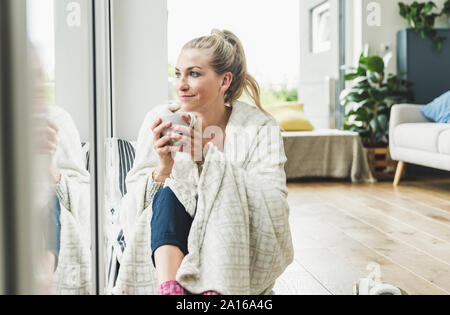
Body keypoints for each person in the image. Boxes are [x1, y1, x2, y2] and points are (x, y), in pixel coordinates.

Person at [114, 29, 293, 295]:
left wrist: (208, 158)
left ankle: (214, 285)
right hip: (171, 243)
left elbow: (274, 206)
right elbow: (130, 214)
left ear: (224, 81)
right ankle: (170, 288)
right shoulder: (161, 119)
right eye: (178, 74)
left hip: (234, 247)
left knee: (225, 187)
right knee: (168, 194)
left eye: (193, 74)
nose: (181, 84)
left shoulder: (260, 128)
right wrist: (163, 169)